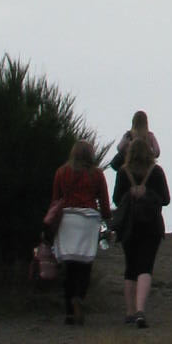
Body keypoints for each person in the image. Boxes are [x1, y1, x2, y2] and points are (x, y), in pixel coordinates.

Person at [46, 139, 110, 328]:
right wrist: (107, 220)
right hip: (88, 221)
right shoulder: (97, 174)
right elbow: (104, 203)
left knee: (69, 267)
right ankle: (79, 297)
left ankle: (68, 312)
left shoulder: (61, 172)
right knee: (85, 264)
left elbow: (55, 199)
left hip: (67, 220)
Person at [113, 137, 170, 327]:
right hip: (151, 225)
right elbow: (165, 199)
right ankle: (140, 310)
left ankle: (129, 311)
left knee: (130, 267)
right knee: (145, 267)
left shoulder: (123, 173)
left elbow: (116, 199)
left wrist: (131, 193)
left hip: (129, 226)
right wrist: (147, 193)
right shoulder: (157, 172)